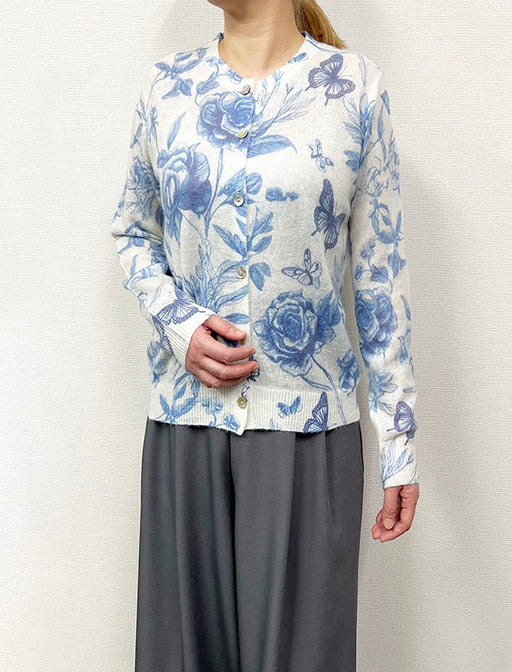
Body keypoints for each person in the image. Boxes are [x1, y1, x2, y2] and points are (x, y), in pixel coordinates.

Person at [110, 0, 420, 669]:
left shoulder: (354, 89)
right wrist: (179, 324)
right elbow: (133, 233)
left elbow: (379, 274)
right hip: (185, 428)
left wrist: (399, 442)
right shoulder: (167, 88)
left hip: (310, 435)